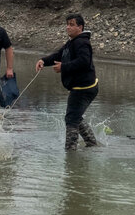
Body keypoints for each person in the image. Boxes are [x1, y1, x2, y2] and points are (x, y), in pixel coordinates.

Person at [36, 13, 99, 150]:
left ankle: (71, 151)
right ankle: (92, 143)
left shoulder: (82, 42)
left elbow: (84, 62)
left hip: (84, 88)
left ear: (80, 27)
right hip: (80, 87)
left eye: (71, 25)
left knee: (71, 119)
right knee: (74, 116)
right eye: (67, 24)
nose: (68, 27)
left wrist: (63, 67)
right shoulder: (72, 43)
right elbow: (58, 55)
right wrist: (43, 61)